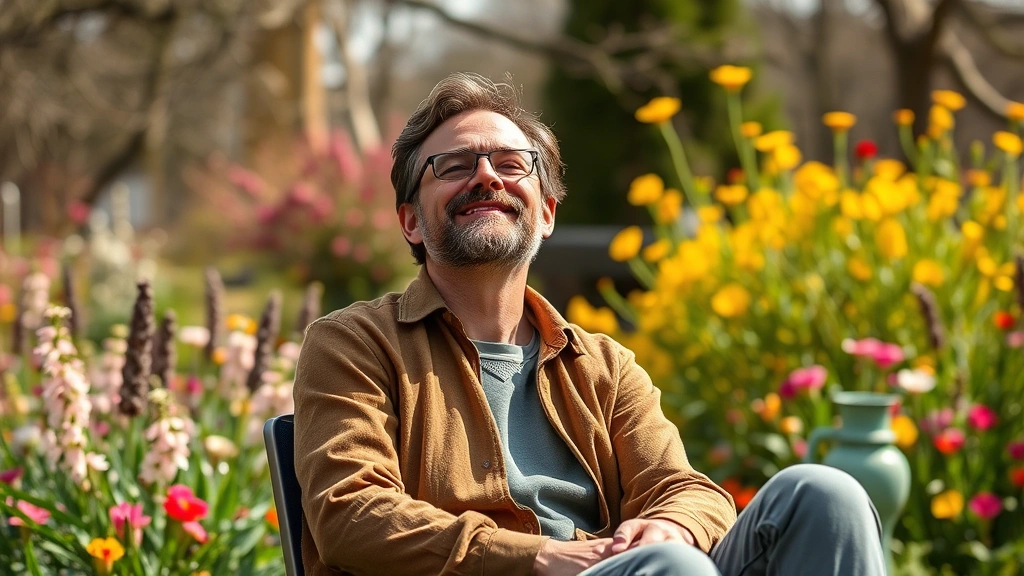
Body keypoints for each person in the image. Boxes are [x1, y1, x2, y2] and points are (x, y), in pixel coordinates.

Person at [293, 72, 886, 576]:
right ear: (412, 222)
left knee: (824, 495)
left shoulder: (600, 364)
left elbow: (687, 490)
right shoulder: (355, 344)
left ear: (546, 214)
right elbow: (351, 512)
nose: (487, 176)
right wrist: (539, 556)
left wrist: (671, 526)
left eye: (511, 163)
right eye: (453, 165)